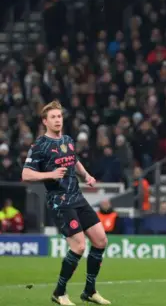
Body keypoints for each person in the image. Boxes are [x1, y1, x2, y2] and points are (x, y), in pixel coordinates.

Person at [21, 101, 111, 306]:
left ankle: (90, 291)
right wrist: (49, 174)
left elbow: (74, 160)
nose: (57, 120)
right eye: (53, 117)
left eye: (59, 117)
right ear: (45, 121)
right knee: (79, 246)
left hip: (77, 197)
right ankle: (59, 293)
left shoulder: (68, 140)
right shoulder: (39, 145)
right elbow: (25, 174)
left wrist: (87, 175)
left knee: (100, 240)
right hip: (59, 201)